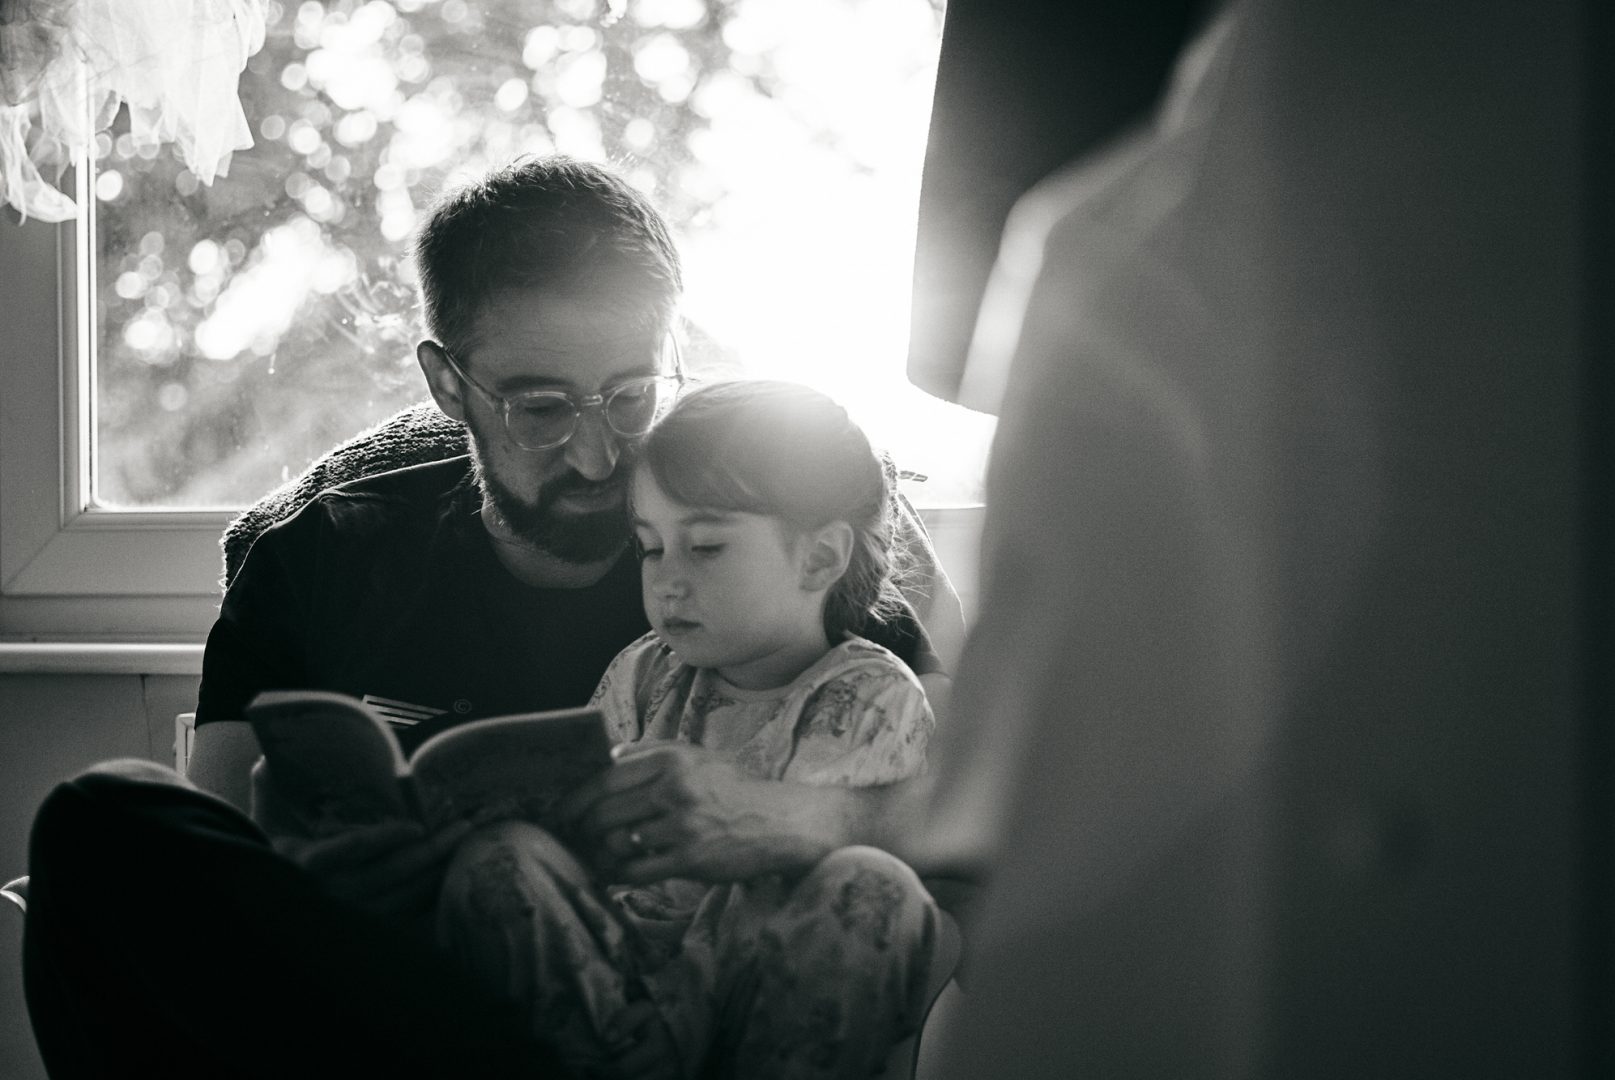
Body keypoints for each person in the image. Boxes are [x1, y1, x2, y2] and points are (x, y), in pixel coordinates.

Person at [23, 155, 960, 1074]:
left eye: (631, 397)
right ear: (448, 385)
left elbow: (992, 804)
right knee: (97, 818)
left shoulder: (773, 535)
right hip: (388, 1006)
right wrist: (313, 873)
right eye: (542, 409)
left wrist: (789, 815)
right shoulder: (321, 556)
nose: (599, 458)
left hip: (645, 1007)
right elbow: (222, 858)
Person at [427, 380, 939, 1079]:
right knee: (499, 860)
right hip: (617, 995)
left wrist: (672, 1035)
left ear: (818, 558)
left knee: (868, 885)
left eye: (704, 548)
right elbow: (580, 831)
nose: (666, 580)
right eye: (649, 547)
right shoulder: (644, 670)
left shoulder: (870, 697)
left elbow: (766, 895)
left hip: (754, 998)